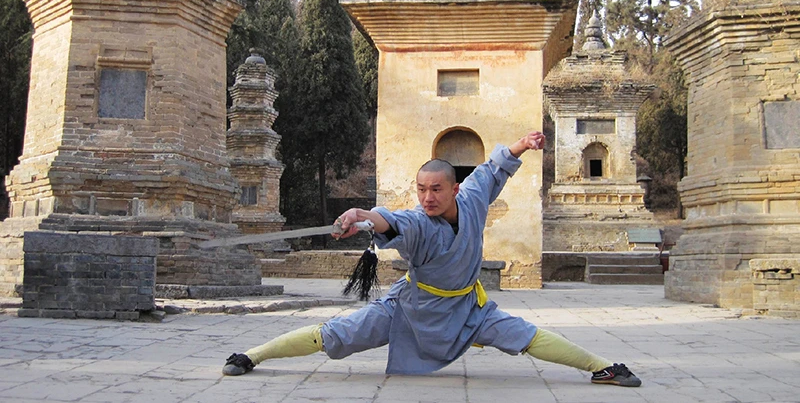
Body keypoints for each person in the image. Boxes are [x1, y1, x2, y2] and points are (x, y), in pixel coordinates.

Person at [222, 131, 641, 387]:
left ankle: (603, 367)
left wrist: (524, 143)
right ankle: (252, 356)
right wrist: (361, 216)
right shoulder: (419, 223)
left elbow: (495, 167)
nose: (427, 198)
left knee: (524, 336)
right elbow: (390, 220)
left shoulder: (474, 197)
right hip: (410, 308)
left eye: (436, 189)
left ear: (454, 188)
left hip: (467, 307)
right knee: (336, 334)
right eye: (421, 189)